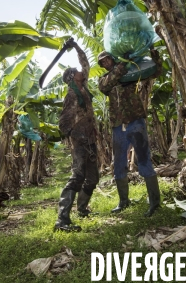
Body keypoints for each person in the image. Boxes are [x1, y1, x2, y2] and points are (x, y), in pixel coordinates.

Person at [98, 50, 161, 217]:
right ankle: (123, 201)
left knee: (144, 159)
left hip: (135, 120)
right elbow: (108, 83)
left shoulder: (131, 71)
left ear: (112, 58)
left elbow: (155, 72)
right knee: (119, 163)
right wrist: (123, 63)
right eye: (103, 62)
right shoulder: (104, 80)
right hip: (118, 125)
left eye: (107, 59)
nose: (106, 63)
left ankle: (155, 202)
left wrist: (155, 57)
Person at [55, 38, 99, 232]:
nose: (82, 72)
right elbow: (63, 122)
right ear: (73, 77)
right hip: (80, 141)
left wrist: (76, 47)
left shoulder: (84, 89)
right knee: (77, 176)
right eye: (77, 71)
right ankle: (62, 219)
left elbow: (85, 63)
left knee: (93, 177)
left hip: (90, 139)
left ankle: (82, 209)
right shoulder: (72, 95)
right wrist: (74, 135)